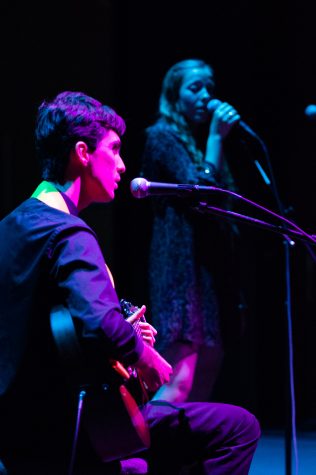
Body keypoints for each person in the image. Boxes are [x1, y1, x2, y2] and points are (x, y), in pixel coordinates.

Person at [0, 90, 260, 475]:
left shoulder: (11, 226)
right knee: (238, 427)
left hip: (18, 429)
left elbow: (47, 328)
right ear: (83, 153)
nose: (123, 165)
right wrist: (144, 355)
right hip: (70, 429)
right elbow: (99, 322)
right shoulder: (69, 234)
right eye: (116, 149)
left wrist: (119, 336)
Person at [140, 58, 244, 404]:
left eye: (210, 88)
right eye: (195, 88)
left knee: (208, 365)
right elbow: (198, 189)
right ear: (174, 95)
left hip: (204, 273)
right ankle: (144, 454)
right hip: (178, 270)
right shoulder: (161, 136)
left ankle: (186, 459)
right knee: (179, 377)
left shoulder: (192, 144)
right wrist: (216, 137)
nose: (206, 96)